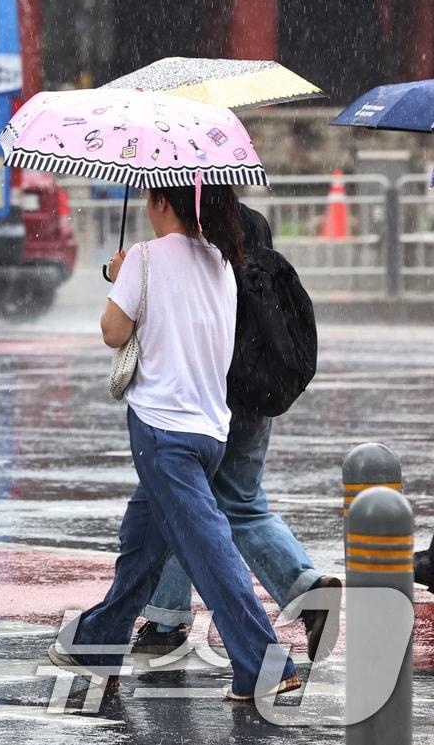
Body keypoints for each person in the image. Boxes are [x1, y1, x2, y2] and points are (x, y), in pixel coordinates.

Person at [49, 184, 300, 702]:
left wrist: (120, 279)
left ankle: (265, 664)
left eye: (148, 197)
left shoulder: (143, 257)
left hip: (162, 431)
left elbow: (113, 332)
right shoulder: (221, 263)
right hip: (210, 431)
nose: (145, 204)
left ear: (163, 204)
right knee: (142, 544)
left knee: (209, 553)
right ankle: (99, 640)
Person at [131, 202, 341, 661]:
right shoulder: (251, 222)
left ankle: (166, 620)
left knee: (175, 502)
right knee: (243, 505)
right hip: (254, 395)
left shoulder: (190, 231)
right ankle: (305, 588)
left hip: (202, 400)